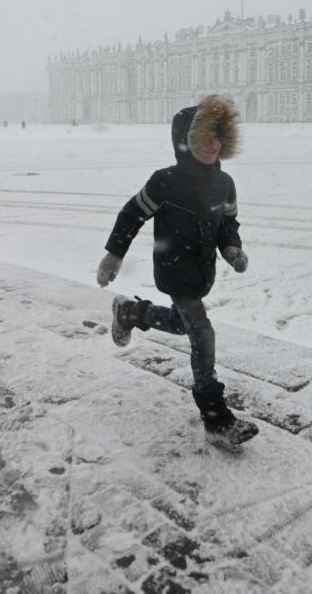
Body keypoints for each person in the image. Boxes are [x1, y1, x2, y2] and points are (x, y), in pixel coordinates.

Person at [96, 94, 257, 448]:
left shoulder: (224, 183)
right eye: (206, 136)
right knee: (202, 332)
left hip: (203, 272)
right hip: (174, 269)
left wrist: (232, 248)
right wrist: (113, 255)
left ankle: (131, 312)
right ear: (187, 141)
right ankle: (215, 417)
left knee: (182, 324)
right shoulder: (164, 181)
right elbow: (132, 214)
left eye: (219, 136)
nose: (214, 143)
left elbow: (228, 222)